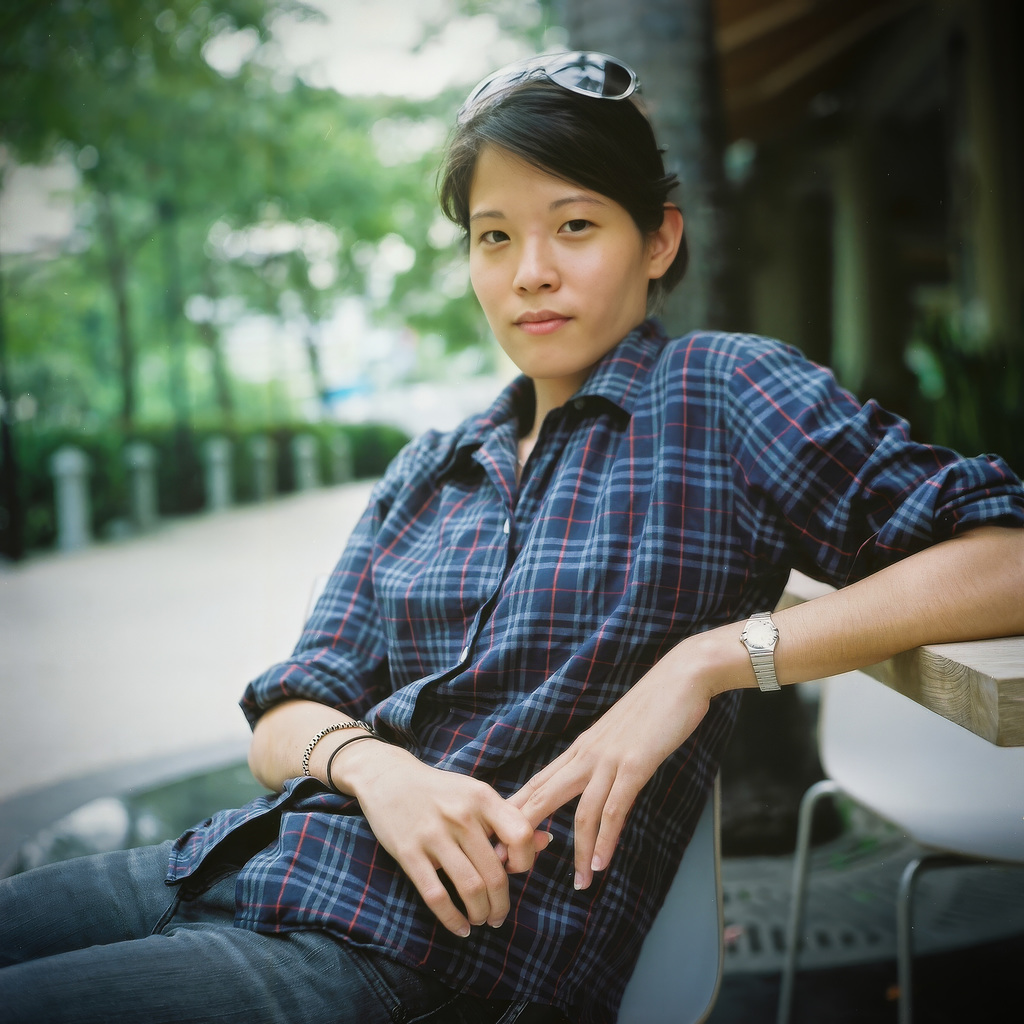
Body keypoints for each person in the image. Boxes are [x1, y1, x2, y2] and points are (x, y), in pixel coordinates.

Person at [2, 51, 1023, 1024]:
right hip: (229, 865)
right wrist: (378, 771)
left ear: (658, 240)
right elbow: (283, 718)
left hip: (421, 954)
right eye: (494, 237)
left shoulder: (720, 395)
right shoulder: (432, 465)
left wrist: (710, 659)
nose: (531, 272)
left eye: (574, 225)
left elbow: (1006, 554)